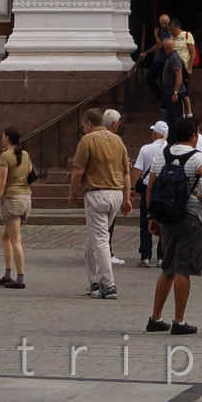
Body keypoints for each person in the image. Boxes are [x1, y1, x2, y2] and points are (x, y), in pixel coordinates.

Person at [144, 117, 202, 335]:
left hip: (166, 216)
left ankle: (155, 317)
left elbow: (150, 188)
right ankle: (179, 321)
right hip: (189, 217)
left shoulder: (163, 154)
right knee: (183, 269)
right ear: (195, 135)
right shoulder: (196, 157)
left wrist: (152, 216)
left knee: (167, 268)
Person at [70, 106, 131, 299]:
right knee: (94, 238)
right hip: (116, 193)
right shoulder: (117, 140)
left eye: (83, 126)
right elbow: (126, 172)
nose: (83, 130)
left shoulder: (87, 140)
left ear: (89, 124)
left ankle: (108, 284)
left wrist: (73, 192)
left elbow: (78, 171)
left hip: (97, 193)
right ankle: (94, 280)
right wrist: (127, 198)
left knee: (101, 239)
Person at [0, 123, 33, 288]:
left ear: (8, 138)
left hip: (12, 199)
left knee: (16, 240)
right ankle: (8, 273)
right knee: (5, 236)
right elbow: (30, 171)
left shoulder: (5, 156)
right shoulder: (25, 154)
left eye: (3, 136)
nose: (2, 139)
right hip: (25, 198)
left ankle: (20, 277)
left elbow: (1, 182)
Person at [132, 119, 169, 267]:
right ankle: (162, 255)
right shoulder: (170, 149)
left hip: (149, 188)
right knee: (164, 222)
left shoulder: (145, 149)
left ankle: (145, 255)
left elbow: (137, 170)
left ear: (155, 134)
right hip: (165, 190)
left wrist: (131, 188)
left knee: (145, 221)